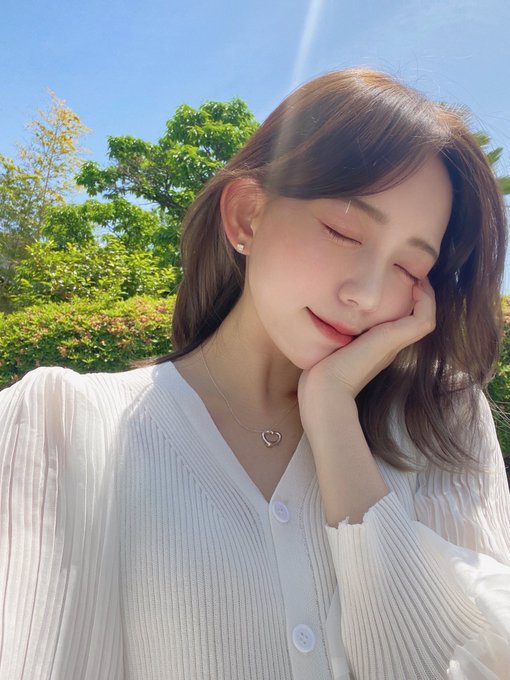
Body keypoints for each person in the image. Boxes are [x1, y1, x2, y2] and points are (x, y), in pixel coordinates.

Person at [1, 68, 509, 680]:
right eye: (344, 231)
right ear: (247, 216)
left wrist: (333, 416)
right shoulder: (62, 427)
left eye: (409, 268)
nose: (369, 294)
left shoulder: (440, 420)